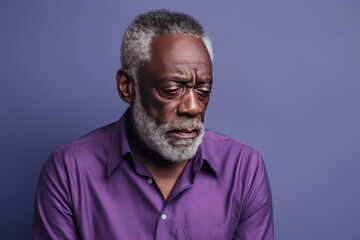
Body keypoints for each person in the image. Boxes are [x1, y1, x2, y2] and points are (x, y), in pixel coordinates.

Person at [33, 9, 274, 239]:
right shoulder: (68, 171)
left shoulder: (244, 169)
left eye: (203, 90)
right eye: (171, 89)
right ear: (127, 86)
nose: (193, 107)